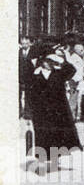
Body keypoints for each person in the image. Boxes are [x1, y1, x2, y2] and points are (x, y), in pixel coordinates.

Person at [27, 46, 78, 174]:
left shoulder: (58, 74)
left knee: (56, 136)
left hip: (58, 111)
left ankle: (55, 161)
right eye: (48, 61)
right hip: (41, 112)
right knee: (42, 136)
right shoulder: (35, 75)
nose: (50, 64)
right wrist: (29, 113)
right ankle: (42, 164)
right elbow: (30, 95)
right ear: (42, 61)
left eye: (52, 61)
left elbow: (72, 70)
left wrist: (61, 59)